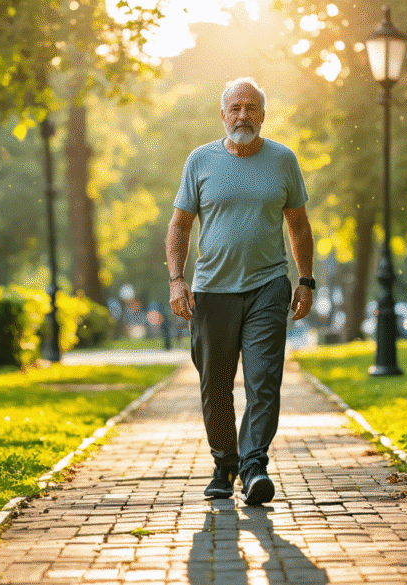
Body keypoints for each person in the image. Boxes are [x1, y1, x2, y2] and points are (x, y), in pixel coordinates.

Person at [166, 77, 315, 506]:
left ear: (263, 115)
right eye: (235, 108)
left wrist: (304, 280)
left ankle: (253, 466)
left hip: (268, 285)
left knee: (263, 380)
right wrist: (178, 280)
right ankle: (224, 462)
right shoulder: (201, 160)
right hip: (212, 289)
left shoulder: (283, 160)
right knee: (214, 385)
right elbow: (179, 225)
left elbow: (299, 225)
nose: (243, 115)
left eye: (251, 107)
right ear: (223, 115)